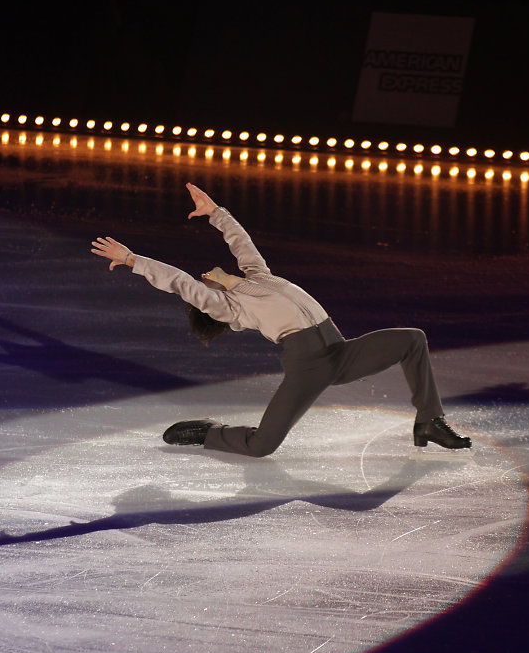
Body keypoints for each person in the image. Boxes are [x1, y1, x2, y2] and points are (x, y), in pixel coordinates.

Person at [91, 182, 471, 457]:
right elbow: (178, 282)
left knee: (412, 338)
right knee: (261, 446)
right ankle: (208, 433)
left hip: (340, 351)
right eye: (206, 278)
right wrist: (132, 260)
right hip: (308, 364)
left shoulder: (258, 275)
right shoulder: (230, 308)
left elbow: (242, 244)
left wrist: (216, 214)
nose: (205, 274)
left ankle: (428, 422)